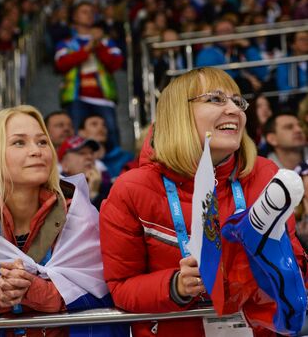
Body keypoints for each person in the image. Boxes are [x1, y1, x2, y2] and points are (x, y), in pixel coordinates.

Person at [99, 67, 307, 336]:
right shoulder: (132, 188)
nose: (234, 109)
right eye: (216, 99)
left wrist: (276, 265)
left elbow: (296, 264)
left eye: (237, 100)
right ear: (178, 115)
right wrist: (176, 286)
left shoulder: (265, 174)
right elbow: (121, 287)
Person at [0, 105, 125, 336]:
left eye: (42, 142)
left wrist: (50, 295)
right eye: (19, 142)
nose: (36, 151)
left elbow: (111, 294)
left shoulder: (80, 214)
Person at [54, 1, 123, 151]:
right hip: (76, 97)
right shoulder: (66, 43)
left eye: (92, 11)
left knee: (112, 139)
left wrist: (98, 45)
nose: (89, 14)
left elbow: (115, 64)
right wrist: (86, 49)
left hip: (103, 98)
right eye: (84, 11)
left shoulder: (106, 41)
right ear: (74, 16)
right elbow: (61, 64)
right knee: (76, 142)